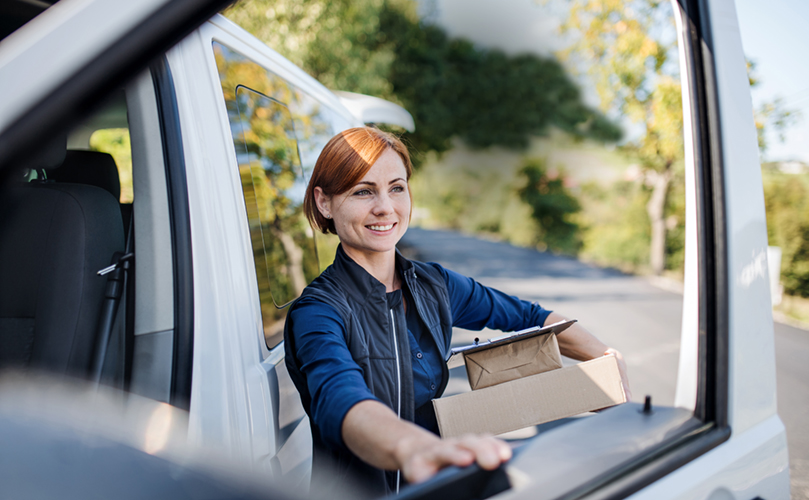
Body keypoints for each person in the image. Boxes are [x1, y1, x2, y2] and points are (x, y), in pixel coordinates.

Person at [284, 127, 631, 496]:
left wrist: (603, 357)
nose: (385, 206)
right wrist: (416, 447)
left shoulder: (435, 285)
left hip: (435, 487)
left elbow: (531, 317)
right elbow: (342, 399)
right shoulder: (318, 311)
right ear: (324, 202)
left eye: (396, 187)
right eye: (362, 191)